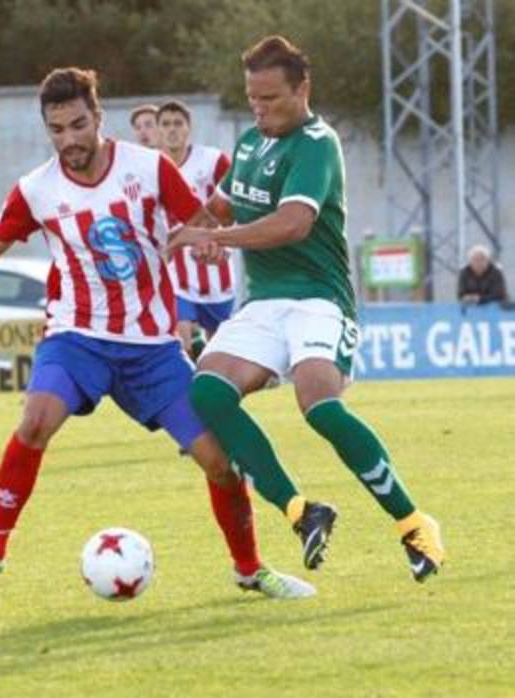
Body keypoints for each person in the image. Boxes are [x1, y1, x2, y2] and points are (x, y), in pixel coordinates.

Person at [0, 67, 315, 610]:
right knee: (35, 421)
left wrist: (210, 243)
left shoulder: (149, 168)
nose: (69, 139)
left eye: (77, 124)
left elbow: (201, 222)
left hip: (153, 350)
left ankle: (251, 570)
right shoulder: (35, 189)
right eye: (56, 130)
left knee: (218, 461)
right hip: (78, 337)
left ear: (98, 116)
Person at [167, 35, 445, 583]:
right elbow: (219, 206)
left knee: (317, 402)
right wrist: (191, 229)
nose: (261, 109)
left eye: (271, 98)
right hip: (264, 304)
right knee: (205, 391)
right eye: (253, 99)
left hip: (319, 300)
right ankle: (302, 512)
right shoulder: (249, 143)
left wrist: (221, 239)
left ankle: (414, 524)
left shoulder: (318, 143)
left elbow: (294, 222)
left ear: (303, 90)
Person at [157, 100, 236, 358]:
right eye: (166, 124)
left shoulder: (212, 160)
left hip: (217, 269)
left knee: (219, 351)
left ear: (189, 127)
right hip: (176, 274)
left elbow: (236, 199)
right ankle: (186, 392)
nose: (172, 130)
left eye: (178, 123)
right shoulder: (152, 167)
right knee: (182, 343)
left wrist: (225, 234)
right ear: (159, 130)